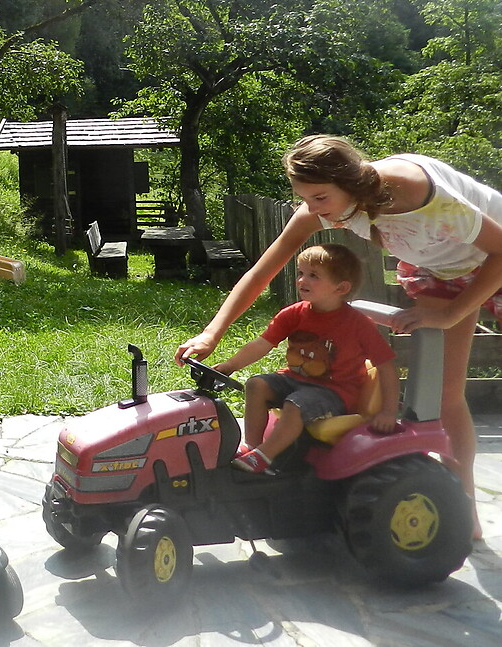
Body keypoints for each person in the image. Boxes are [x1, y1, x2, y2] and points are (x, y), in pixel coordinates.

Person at [178, 135, 502, 533]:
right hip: (441, 266)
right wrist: (211, 334)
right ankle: (461, 507)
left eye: (319, 198)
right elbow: (263, 271)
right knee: (444, 395)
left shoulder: (414, 191)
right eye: (304, 198)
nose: (313, 210)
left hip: (495, 256)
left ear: (351, 182)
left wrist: (452, 313)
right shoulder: (329, 204)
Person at [210, 243, 399, 473]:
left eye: (313, 276)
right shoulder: (294, 314)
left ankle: (265, 456)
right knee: (256, 385)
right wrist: (230, 365)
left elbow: (386, 367)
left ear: (341, 287)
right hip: (295, 380)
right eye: (301, 273)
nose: (301, 280)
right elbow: (262, 344)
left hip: (335, 392)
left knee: (296, 404)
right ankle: (252, 446)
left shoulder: (359, 325)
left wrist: (389, 411)